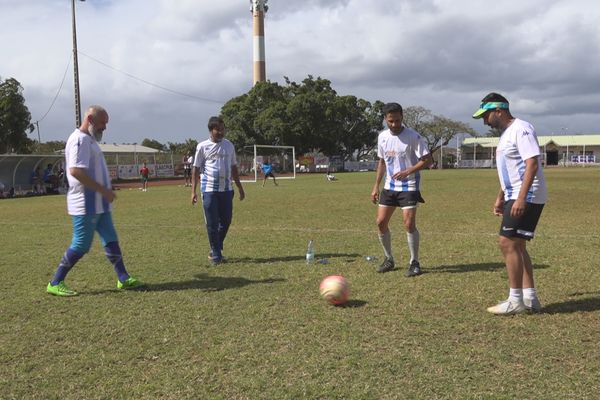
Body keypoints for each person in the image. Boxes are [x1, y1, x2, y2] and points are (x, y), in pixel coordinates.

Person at [46, 105, 143, 296]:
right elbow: (75, 171)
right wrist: (103, 190)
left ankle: (123, 278)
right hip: (85, 202)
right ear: (90, 119)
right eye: (102, 123)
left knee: (111, 239)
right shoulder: (80, 140)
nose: (105, 127)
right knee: (81, 244)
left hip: (99, 203)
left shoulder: (89, 140)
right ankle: (55, 282)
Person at [472, 92, 547, 315]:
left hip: (527, 194)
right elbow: (511, 171)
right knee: (518, 244)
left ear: (499, 111)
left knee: (507, 243)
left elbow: (532, 163)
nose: (485, 120)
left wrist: (521, 198)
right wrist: (501, 195)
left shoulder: (521, 129)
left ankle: (515, 300)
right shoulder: (506, 134)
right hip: (514, 193)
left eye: (486, 115)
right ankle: (530, 298)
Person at [371, 102, 433, 276]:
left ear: (402, 117)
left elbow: (427, 160)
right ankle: (388, 259)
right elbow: (382, 162)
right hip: (389, 186)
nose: (394, 124)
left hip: (409, 186)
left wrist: (408, 171)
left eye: (397, 120)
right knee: (381, 223)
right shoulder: (382, 137)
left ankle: (414, 262)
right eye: (390, 121)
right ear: (385, 119)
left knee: (409, 223)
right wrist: (376, 185)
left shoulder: (413, 136)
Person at [191, 116, 245, 264]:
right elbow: (195, 168)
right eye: (218, 130)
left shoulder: (229, 145)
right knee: (212, 222)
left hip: (227, 190)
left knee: (226, 221)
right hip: (209, 190)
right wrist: (193, 191)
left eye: (223, 129)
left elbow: (234, 167)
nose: (221, 132)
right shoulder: (202, 146)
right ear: (211, 130)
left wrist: (240, 187)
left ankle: (216, 246)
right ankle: (216, 254)